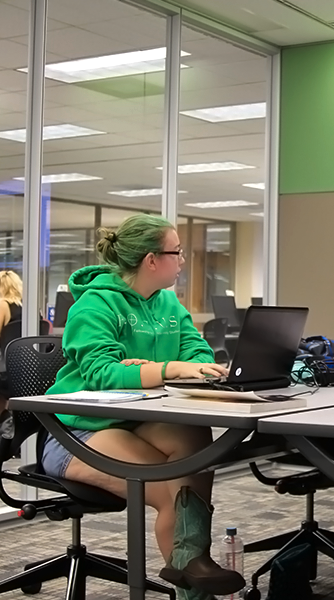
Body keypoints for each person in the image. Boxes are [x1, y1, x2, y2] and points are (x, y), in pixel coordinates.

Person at [41, 215, 244, 600]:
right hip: (77, 429)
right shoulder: (95, 305)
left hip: (135, 419)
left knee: (194, 435)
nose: (183, 261)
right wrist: (167, 369)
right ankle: (193, 579)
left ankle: (189, 565)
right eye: (177, 252)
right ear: (152, 260)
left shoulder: (167, 301)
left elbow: (197, 353)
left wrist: (152, 370)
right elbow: (103, 373)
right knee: (173, 490)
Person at [0, 270, 23, 418]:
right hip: (29, 370)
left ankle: (2, 423)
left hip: (6, 371)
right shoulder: (29, 306)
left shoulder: (3, 304)